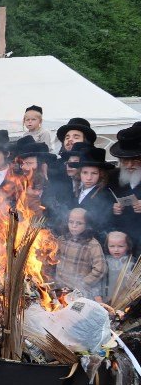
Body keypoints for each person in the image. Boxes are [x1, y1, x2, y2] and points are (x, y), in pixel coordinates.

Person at [55, 208, 106, 301]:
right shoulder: (62, 240)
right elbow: (53, 258)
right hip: (60, 288)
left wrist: (83, 283)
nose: (74, 226)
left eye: (79, 223)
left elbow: (100, 269)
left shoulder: (93, 245)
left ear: (87, 225)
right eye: (71, 222)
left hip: (79, 293)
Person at [108, 122, 141, 254]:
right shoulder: (113, 177)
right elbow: (102, 205)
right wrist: (113, 209)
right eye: (125, 160)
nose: (129, 165)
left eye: (135, 160)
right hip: (121, 247)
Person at [70, 144, 114, 241]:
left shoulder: (105, 196)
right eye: (85, 172)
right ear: (79, 173)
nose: (89, 178)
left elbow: (102, 224)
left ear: (101, 175)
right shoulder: (76, 193)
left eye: (94, 173)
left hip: (93, 243)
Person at [102, 231, 133, 301]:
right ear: (107, 246)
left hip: (124, 299)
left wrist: (131, 278)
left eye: (121, 246)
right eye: (112, 246)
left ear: (128, 246)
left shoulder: (132, 263)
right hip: (105, 298)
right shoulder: (104, 261)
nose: (116, 250)